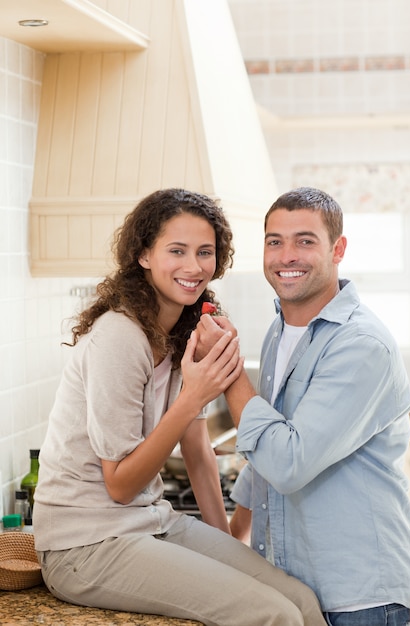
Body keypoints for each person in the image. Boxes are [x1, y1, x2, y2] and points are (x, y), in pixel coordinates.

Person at [33, 188, 327, 626]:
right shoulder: (119, 337)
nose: (194, 267)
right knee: (274, 615)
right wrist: (193, 394)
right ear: (143, 255)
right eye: (177, 250)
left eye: (205, 252)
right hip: (86, 545)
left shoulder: (184, 333)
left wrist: (225, 542)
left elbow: (197, 450)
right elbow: (120, 486)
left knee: (300, 600)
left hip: (152, 523)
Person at [195, 187, 410, 626]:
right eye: (274, 241)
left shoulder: (361, 345)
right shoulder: (280, 331)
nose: (286, 255)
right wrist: (231, 538)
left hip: (359, 598)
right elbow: (264, 455)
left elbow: (287, 461)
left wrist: (229, 370)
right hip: (296, 588)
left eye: (305, 241)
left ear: (338, 250)